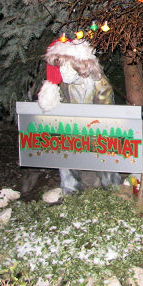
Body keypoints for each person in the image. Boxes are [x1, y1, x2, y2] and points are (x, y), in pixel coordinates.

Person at [37, 37, 121, 195]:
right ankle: (70, 189)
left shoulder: (100, 84)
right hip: (74, 130)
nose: (64, 71)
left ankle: (112, 188)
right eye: (62, 67)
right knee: (63, 148)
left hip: (97, 130)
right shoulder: (64, 84)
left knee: (107, 150)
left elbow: (106, 115)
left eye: (68, 66)